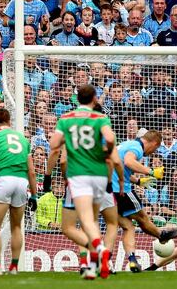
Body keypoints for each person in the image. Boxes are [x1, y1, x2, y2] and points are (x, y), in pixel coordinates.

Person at [45, 84, 116, 280]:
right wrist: (104, 151)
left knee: (74, 225)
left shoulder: (66, 119)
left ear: (77, 99)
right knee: (91, 221)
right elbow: (110, 140)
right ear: (94, 99)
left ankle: (99, 249)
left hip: (79, 176)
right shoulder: (101, 118)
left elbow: (53, 146)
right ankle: (93, 266)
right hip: (100, 174)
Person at [0, 108, 37, 275]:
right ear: (10, 122)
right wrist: (35, 195)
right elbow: (31, 171)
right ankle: (14, 267)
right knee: (16, 227)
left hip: (3, 179)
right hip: (22, 182)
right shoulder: (23, 140)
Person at [112, 129, 177, 272]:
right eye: (155, 149)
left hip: (104, 190)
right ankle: (161, 234)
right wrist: (151, 172)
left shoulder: (126, 144)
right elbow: (129, 162)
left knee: (128, 226)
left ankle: (132, 260)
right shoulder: (136, 148)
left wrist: (138, 181)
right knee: (142, 216)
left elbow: (121, 168)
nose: (151, 153)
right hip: (119, 189)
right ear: (154, 143)